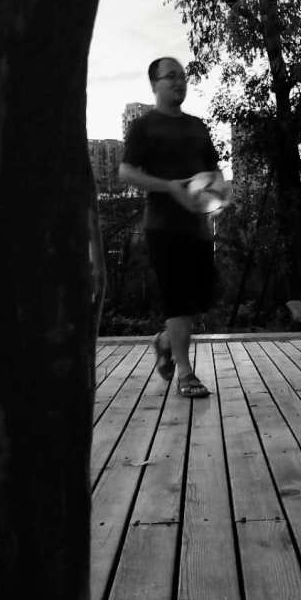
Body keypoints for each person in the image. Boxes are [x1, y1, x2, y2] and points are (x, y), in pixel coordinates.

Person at [118, 57, 224, 398]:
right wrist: (169, 187)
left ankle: (165, 342)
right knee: (176, 300)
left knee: (195, 301)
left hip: (199, 227)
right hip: (163, 226)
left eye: (182, 76)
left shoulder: (197, 126)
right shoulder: (144, 126)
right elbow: (126, 172)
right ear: (155, 84)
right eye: (171, 76)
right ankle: (186, 373)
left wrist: (219, 193)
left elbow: (214, 170)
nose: (179, 82)